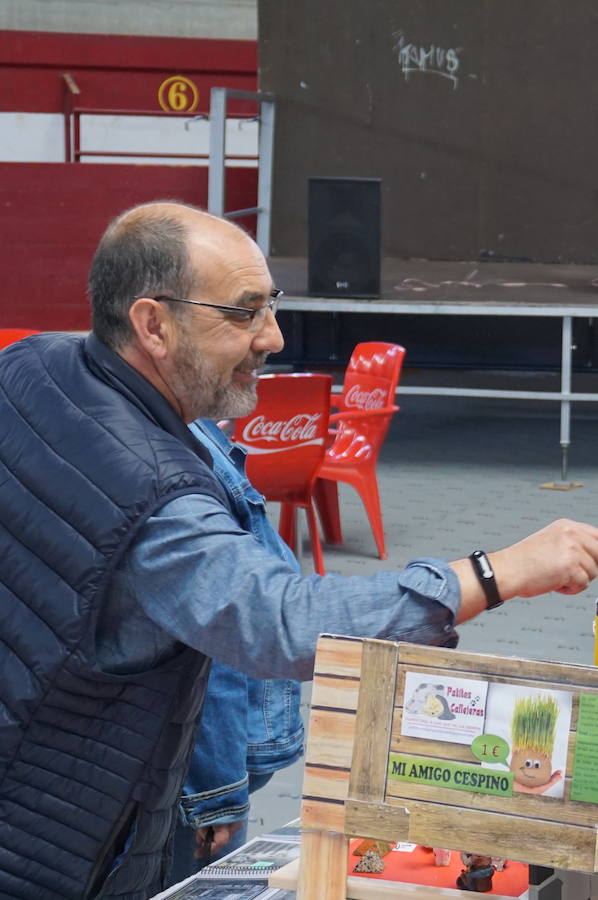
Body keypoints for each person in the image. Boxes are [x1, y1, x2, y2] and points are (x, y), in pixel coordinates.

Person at [1, 200, 597, 900]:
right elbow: (278, 618)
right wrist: (497, 573)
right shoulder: (155, 497)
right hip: (69, 843)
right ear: (152, 324)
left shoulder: (33, 367)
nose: (273, 337)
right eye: (244, 312)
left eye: (271, 307)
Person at [168, 417, 303, 886]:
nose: (273, 339)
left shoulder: (192, 431)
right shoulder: (178, 454)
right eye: (240, 335)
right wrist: (218, 793)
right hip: (196, 774)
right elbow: (217, 637)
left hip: (211, 759)